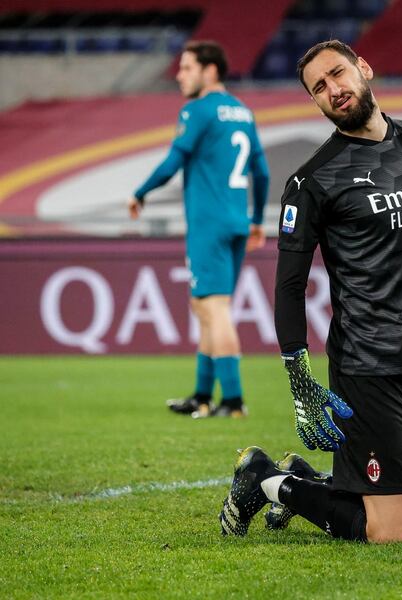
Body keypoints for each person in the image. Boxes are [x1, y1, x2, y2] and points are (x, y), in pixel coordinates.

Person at [218, 40, 402, 543]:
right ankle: (265, 479)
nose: (333, 90)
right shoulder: (313, 181)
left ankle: (305, 477)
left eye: (338, 74)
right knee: (397, 531)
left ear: (363, 68)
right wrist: (299, 378)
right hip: (368, 366)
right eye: (319, 88)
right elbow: (289, 287)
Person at [128, 41, 269, 418]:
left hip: (209, 223)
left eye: (187, 67)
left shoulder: (198, 111)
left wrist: (140, 193)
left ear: (210, 71)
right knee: (204, 307)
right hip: (238, 221)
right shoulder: (243, 112)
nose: (179, 74)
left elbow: (174, 160)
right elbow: (263, 171)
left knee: (214, 308)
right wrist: (256, 221)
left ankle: (234, 401)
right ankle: (203, 395)